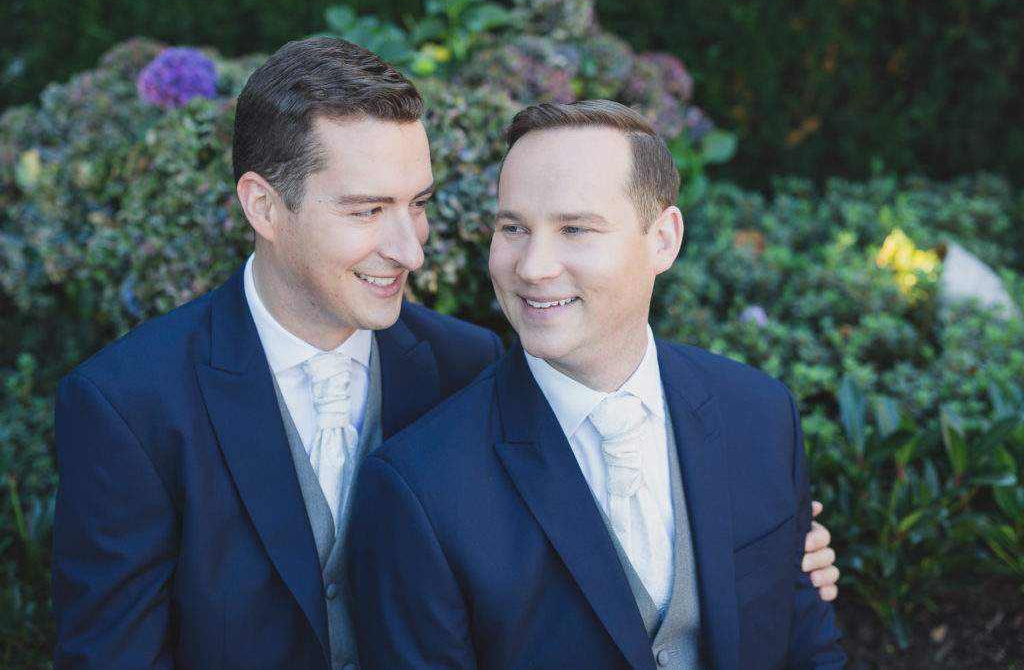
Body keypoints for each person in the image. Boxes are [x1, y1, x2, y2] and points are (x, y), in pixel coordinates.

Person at [51, 39, 837, 668]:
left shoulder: (467, 360)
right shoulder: (128, 405)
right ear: (264, 204)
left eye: (418, 205)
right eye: (367, 209)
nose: (409, 249)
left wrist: (770, 561)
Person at [348, 100, 846, 668]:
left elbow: (809, 649)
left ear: (663, 240)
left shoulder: (759, 413)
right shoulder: (420, 485)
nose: (533, 266)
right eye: (513, 227)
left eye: (575, 228)